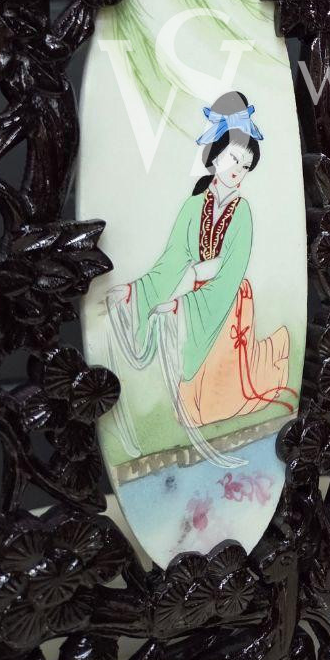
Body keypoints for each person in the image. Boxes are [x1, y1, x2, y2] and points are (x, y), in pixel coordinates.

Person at [105, 91, 293, 462]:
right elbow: (171, 261)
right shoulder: (193, 207)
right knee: (191, 406)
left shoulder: (243, 212)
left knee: (213, 404)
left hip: (228, 300)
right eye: (234, 159)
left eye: (246, 164)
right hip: (197, 295)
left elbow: (232, 272)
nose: (238, 170)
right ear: (216, 156)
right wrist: (134, 291)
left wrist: (182, 304)